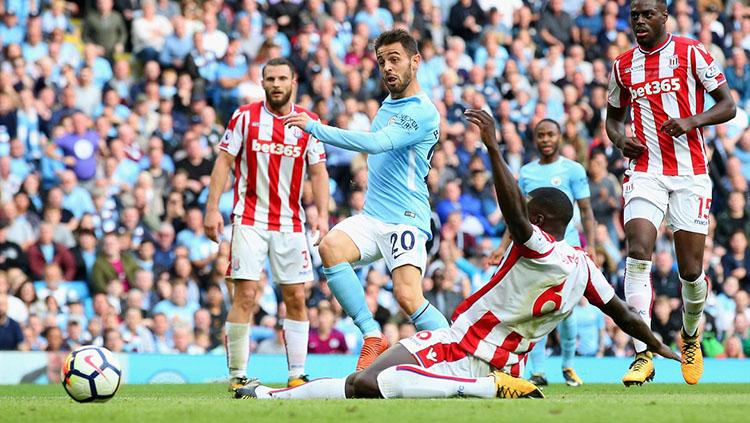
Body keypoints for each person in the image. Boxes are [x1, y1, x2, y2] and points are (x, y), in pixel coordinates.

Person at [235, 109, 679, 401]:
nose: (517, 218)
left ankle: (483, 389)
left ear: (540, 221)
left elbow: (515, 215)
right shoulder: (583, 267)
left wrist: (492, 148)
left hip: (463, 345)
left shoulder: (536, 245)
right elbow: (622, 313)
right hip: (505, 355)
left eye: (527, 214)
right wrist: (657, 346)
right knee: (358, 383)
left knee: (369, 381)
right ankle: (269, 396)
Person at [284, 29, 448, 372]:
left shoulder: (423, 111)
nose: (387, 67)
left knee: (407, 298)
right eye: (382, 61)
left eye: (395, 59)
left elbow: (376, 144)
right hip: (373, 216)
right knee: (330, 248)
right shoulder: (389, 103)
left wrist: (315, 127)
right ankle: (372, 334)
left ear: (415, 62)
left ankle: (454, 354)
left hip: (406, 218)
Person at [605, 0, 736, 386]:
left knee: (691, 272)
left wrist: (692, 121)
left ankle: (690, 337)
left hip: (691, 172)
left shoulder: (691, 52)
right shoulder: (623, 65)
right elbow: (613, 117)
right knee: (638, 252)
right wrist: (619, 140)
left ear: (665, 16)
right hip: (645, 170)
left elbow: (728, 105)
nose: (640, 21)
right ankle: (643, 353)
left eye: (648, 14)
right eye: (634, 16)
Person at [203, 58, 330, 394]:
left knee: (296, 297)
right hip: (249, 219)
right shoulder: (245, 117)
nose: (276, 84)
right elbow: (224, 162)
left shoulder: (308, 122)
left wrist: (322, 214)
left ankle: (297, 375)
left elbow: (319, 172)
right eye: (270, 78)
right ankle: (238, 376)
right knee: (245, 293)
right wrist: (212, 208)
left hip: (290, 222)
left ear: (294, 81)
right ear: (262, 83)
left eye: (282, 78)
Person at [516, 118, 596, 388]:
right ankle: (538, 371)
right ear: (535, 139)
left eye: (551, 134)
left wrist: (591, 246)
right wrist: (501, 248)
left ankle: (568, 366)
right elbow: (518, 215)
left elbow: (586, 210)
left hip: (568, 249)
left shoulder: (573, 170)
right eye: (541, 135)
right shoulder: (526, 173)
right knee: (536, 311)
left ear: (560, 137)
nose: (546, 139)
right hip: (537, 249)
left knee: (566, 311)